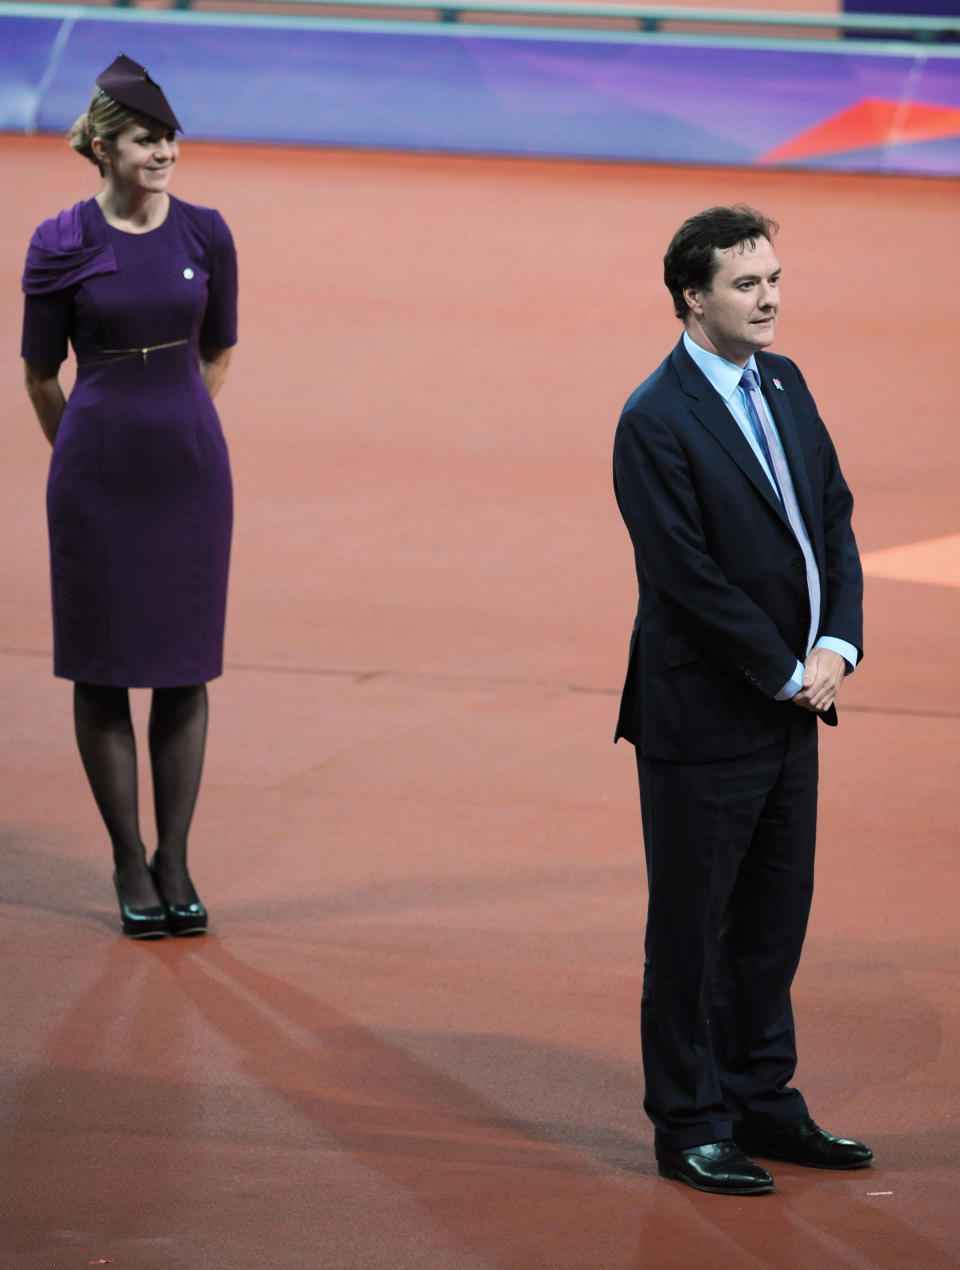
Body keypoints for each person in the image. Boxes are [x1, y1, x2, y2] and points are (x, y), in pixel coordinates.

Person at [612, 205, 872, 1194]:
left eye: (774, 280)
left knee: (773, 915)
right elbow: (685, 577)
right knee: (692, 925)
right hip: (706, 714)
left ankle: (762, 1096)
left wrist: (837, 642)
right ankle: (687, 1120)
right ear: (693, 296)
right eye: (746, 284)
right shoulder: (652, 418)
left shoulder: (787, 380)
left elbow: (833, 519)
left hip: (796, 699)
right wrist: (781, 668)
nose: (768, 299)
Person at [21, 54, 238, 939]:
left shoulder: (208, 233)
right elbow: (39, 374)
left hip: (189, 472)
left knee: (185, 666)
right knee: (104, 668)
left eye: (170, 139)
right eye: (148, 139)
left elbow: (218, 350)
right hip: (95, 479)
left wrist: (174, 424)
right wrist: (87, 450)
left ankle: (175, 857)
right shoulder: (59, 241)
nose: (165, 153)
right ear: (104, 145)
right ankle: (125, 857)